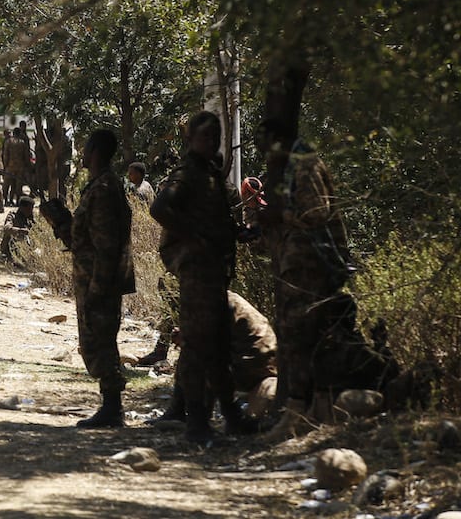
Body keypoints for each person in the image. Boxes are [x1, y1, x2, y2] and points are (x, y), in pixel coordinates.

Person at [257, 117, 397, 438]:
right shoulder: (291, 167)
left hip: (313, 266)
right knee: (301, 336)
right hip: (299, 266)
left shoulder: (303, 166)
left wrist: (280, 214)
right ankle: (308, 409)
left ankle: (305, 410)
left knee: (307, 336)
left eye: (266, 146)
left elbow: (316, 212)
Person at [150, 111, 253, 443]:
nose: (212, 142)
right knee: (198, 346)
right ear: (191, 139)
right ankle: (196, 422)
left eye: (216, 136)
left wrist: (236, 233)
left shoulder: (211, 175)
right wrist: (193, 237)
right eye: (206, 136)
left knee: (219, 346)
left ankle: (230, 415)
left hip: (215, 272)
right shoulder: (188, 174)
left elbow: (216, 218)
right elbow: (160, 208)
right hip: (197, 273)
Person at [57, 128, 135, 429]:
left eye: (86, 147)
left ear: (95, 151)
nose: (82, 152)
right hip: (92, 277)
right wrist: (63, 223)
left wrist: (98, 288)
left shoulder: (103, 188)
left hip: (98, 280)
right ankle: (110, 405)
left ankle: (113, 407)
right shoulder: (99, 186)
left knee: (100, 340)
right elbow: (87, 239)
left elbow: (106, 244)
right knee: (96, 340)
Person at [151, 291, 278, 424]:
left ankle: (194, 414)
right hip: (262, 360)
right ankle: (191, 411)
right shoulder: (225, 297)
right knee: (199, 350)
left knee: (194, 353)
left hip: (252, 364)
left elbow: (208, 342)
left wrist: (186, 337)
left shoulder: (210, 300)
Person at [0, 196, 36, 264]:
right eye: (29, 209)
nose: (31, 211)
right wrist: (20, 231)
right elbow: (7, 228)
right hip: (11, 247)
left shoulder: (31, 217)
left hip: (27, 247)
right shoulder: (12, 215)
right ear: (22, 207)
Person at [2, 127, 31, 204]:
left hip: (10, 166)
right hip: (20, 167)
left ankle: (6, 201)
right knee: (18, 185)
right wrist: (27, 166)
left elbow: (5, 155)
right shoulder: (22, 142)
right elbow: (26, 156)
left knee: (7, 184)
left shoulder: (8, 142)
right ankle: (17, 201)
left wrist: (5, 165)